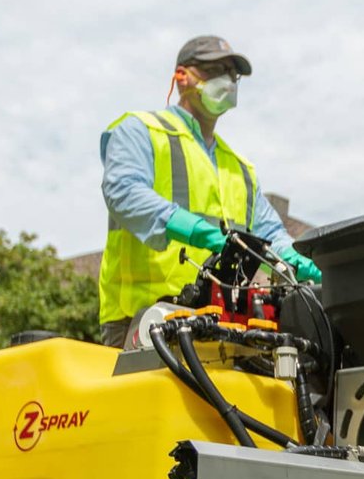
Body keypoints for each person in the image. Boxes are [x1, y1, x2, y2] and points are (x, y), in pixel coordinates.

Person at [98, 35, 321, 348]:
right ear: (182, 76)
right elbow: (123, 192)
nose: (228, 81)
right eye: (216, 70)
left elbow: (271, 234)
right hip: (144, 316)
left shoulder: (240, 168)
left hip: (225, 321)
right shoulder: (140, 131)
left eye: (233, 74)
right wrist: (195, 230)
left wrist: (306, 261)